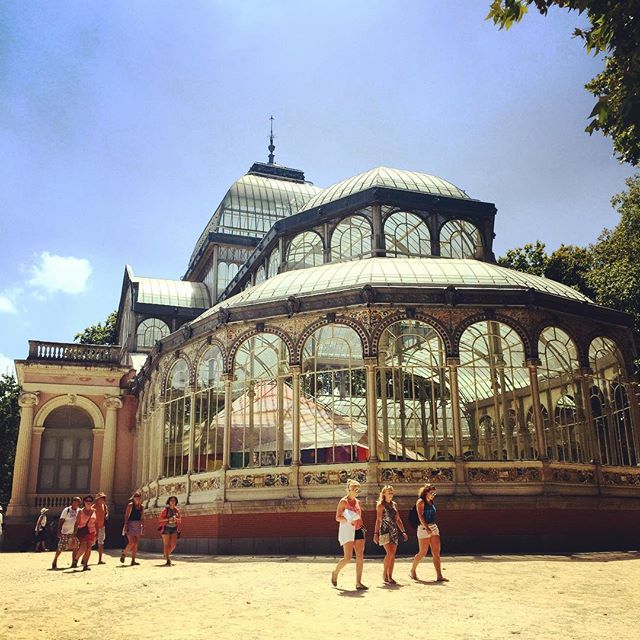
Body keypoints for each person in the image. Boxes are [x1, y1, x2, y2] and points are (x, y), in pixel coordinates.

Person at [331, 478, 367, 590]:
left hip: (358, 530)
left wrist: (361, 524)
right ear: (349, 489)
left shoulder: (358, 502)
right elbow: (337, 517)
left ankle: (358, 583)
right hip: (348, 530)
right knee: (348, 557)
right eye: (355, 490)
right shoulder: (343, 502)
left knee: (360, 555)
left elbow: (359, 516)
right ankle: (335, 572)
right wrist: (348, 520)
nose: (357, 492)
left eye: (358, 490)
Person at [410, 483, 448, 582]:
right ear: (426, 492)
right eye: (431, 493)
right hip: (423, 528)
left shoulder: (431, 501)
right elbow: (420, 516)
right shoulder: (421, 502)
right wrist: (426, 527)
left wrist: (431, 527)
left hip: (434, 527)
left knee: (436, 552)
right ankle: (412, 570)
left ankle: (439, 576)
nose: (433, 495)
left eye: (434, 493)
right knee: (422, 552)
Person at [373, 485, 408, 584]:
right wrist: (375, 533)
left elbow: (398, 519)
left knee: (393, 555)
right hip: (384, 531)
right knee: (390, 553)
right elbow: (378, 520)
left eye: (392, 492)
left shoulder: (394, 505)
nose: (391, 494)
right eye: (389, 492)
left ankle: (390, 576)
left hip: (394, 531)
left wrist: (403, 531)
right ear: (384, 493)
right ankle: (385, 573)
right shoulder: (380, 505)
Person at [51, 497, 81, 570]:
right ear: (72, 502)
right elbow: (61, 521)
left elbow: (77, 522)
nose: (76, 503)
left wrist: (75, 532)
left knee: (76, 547)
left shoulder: (79, 511)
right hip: (65, 532)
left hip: (73, 532)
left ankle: (73, 562)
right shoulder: (67, 510)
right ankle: (55, 560)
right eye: (75, 501)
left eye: (78, 502)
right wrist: (59, 531)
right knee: (61, 547)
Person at [74, 496, 97, 571]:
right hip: (82, 530)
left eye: (90, 501)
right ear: (84, 502)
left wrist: (97, 532)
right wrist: (74, 532)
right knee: (83, 547)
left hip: (91, 531)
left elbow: (96, 522)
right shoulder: (80, 511)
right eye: (87, 501)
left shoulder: (94, 511)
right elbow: (77, 522)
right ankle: (76, 559)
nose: (88, 502)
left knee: (89, 548)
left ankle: (85, 565)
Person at [121, 491, 144, 566]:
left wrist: (142, 526)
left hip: (138, 525)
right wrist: (126, 525)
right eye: (136, 497)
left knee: (136, 543)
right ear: (133, 498)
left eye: (138, 497)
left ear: (140, 498)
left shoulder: (142, 507)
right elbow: (126, 516)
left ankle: (133, 560)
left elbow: (142, 517)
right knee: (132, 542)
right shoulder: (130, 505)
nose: (137, 498)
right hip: (130, 524)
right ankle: (124, 553)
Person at [158, 496, 182, 566]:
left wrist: (176, 520)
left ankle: (166, 554)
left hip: (174, 528)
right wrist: (168, 519)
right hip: (166, 528)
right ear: (169, 502)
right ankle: (168, 559)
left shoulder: (177, 510)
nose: (173, 502)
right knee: (166, 544)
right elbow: (160, 520)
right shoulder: (165, 510)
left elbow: (180, 520)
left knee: (173, 545)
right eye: (171, 500)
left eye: (174, 500)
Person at [93, 492, 109, 564]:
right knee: (90, 544)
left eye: (103, 498)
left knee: (101, 543)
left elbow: (106, 513)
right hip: (93, 528)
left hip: (102, 527)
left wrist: (106, 515)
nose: (102, 500)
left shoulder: (104, 506)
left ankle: (100, 559)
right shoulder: (93, 507)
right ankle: (84, 558)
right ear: (97, 499)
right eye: (101, 498)